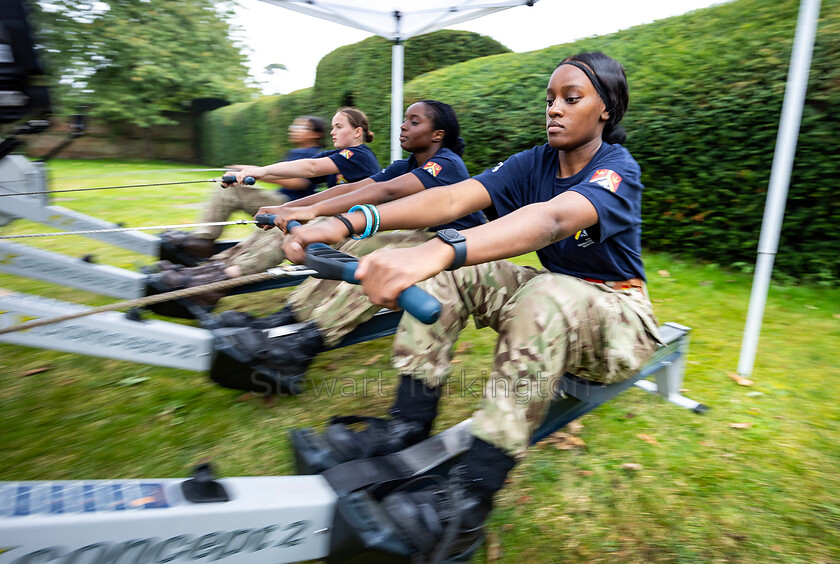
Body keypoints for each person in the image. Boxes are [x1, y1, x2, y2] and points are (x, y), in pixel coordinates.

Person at [283, 52, 663, 559]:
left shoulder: (618, 170)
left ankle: (467, 501)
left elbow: (552, 220)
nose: (554, 109)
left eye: (572, 99)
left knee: (536, 288)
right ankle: (406, 426)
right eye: (550, 99)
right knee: (456, 271)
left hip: (620, 319)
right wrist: (349, 222)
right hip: (558, 299)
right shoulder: (536, 162)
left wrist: (436, 248)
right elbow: (452, 200)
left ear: (606, 111)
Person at [209, 100, 487, 394]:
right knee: (360, 244)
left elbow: (384, 191)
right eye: (405, 119)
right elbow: (352, 189)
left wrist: (312, 212)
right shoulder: (407, 165)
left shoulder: (446, 163)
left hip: (460, 248)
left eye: (414, 121)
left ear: (437, 135)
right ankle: (287, 318)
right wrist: (288, 208)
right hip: (430, 238)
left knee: (382, 258)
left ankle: (304, 346)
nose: (403, 126)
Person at [147, 106, 381, 302]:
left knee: (287, 226)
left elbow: (309, 170)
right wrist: (252, 172)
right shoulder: (339, 154)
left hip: (350, 229)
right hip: (330, 219)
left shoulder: (359, 155)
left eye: (339, 127)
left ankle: (217, 283)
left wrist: (260, 173)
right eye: (332, 127)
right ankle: (208, 270)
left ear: (357, 131)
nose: (333, 132)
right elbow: (305, 166)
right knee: (276, 223)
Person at [159, 115, 328, 265]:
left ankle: (202, 242)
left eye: (301, 127)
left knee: (233, 190)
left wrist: (255, 171)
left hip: (291, 207)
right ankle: (201, 240)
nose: (294, 130)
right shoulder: (296, 152)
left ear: (316, 134)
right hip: (280, 199)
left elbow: (300, 183)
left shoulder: (314, 155)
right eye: (294, 126)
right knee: (230, 187)